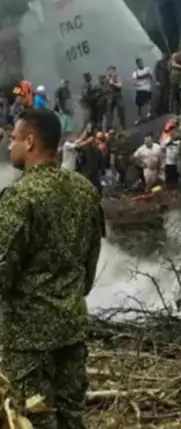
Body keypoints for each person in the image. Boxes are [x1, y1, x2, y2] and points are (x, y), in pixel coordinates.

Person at [0, 108, 103, 429]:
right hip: (72, 330)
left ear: (30, 141)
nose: (9, 146)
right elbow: (89, 269)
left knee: (33, 420)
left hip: (29, 341)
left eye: (13, 139)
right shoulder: (85, 191)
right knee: (72, 417)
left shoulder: (20, 196)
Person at [132, 57, 154, 122]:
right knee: (139, 105)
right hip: (140, 89)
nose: (140, 64)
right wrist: (136, 84)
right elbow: (134, 81)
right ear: (137, 64)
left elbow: (151, 77)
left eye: (141, 62)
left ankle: (149, 113)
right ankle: (139, 117)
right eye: (139, 63)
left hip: (147, 88)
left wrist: (152, 84)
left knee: (149, 101)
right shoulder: (135, 72)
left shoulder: (147, 69)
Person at [105, 66, 125, 130]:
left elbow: (120, 85)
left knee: (121, 109)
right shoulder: (107, 79)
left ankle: (123, 126)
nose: (111, 73)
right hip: (110, 96)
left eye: (112, 71)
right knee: (109, 113)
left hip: (117, 96)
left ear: (115, 71)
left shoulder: (118, 77)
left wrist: (113, 83)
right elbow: (105, 88)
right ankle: (109, 128)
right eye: (110, 71)